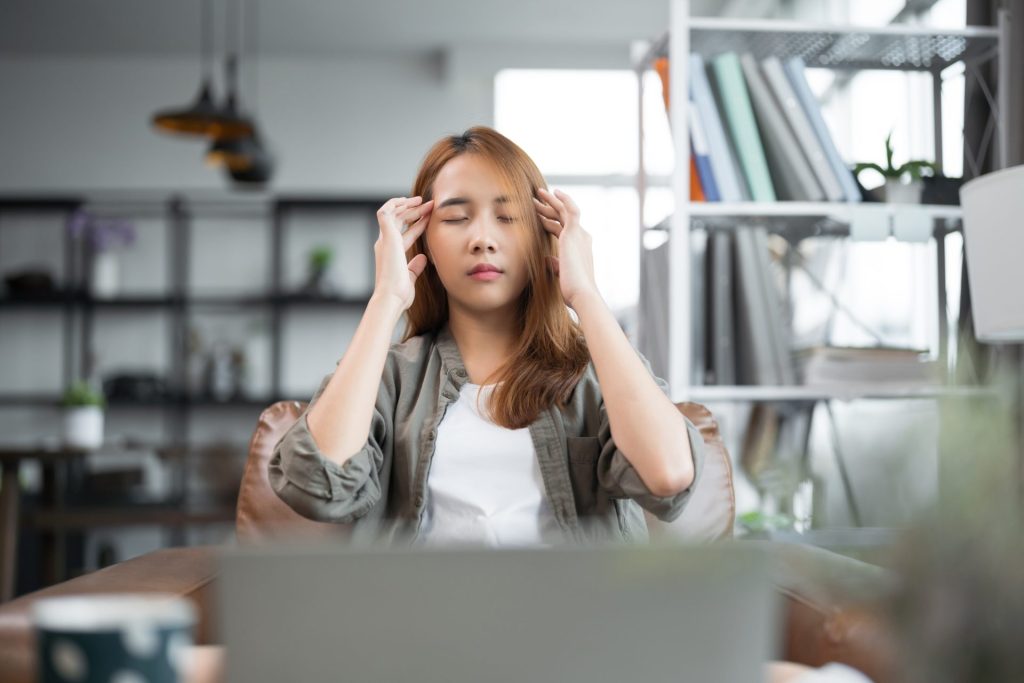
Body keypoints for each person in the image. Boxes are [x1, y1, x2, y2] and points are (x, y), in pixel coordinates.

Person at [268, 125, 706, 548]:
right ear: (425, 244)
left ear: (543, 237)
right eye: (457, 217)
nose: (482, 239)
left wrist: (586, 296)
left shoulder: (595, 372)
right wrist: (385, 300)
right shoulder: (391, 377)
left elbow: (666, 476)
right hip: (423, 616)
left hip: (576, 616)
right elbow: (317, 487)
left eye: (507, 216)